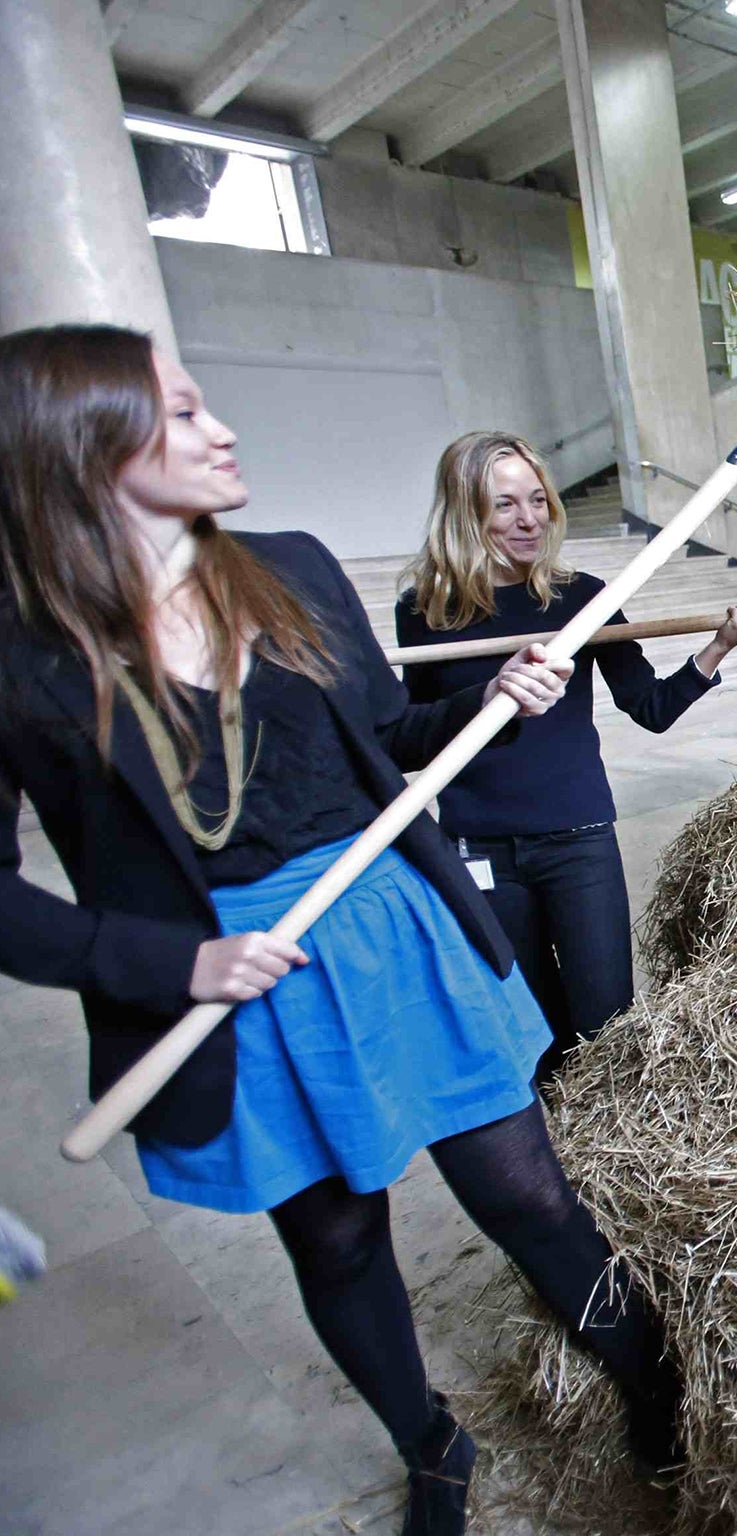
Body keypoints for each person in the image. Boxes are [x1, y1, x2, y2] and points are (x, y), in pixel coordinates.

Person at [0, 326, 686, 1534]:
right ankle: (429, 1445)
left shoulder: (290, 568)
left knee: (529, 1195)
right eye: (183, 413)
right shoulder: (23, 657)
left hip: (394, 926)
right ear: (83, 451)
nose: (220, 431)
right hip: (230, 983)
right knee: (334, 1245)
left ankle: (655, 1392)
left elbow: (386, 739)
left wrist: (489, 698)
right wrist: (170, 960)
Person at [396, 432, 737, 1083]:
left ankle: (611, 1167)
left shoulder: (582, 598)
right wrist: (488, 696)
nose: (529, 519)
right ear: (466, 512)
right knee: (533, 1036)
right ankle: (565, 1170)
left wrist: (721, 644)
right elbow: (404, 739)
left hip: (578, 844)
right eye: (505, 504)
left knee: (607, 1030)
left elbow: (651, 708)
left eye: (537, 500)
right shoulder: (427, 613)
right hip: (480, 852)